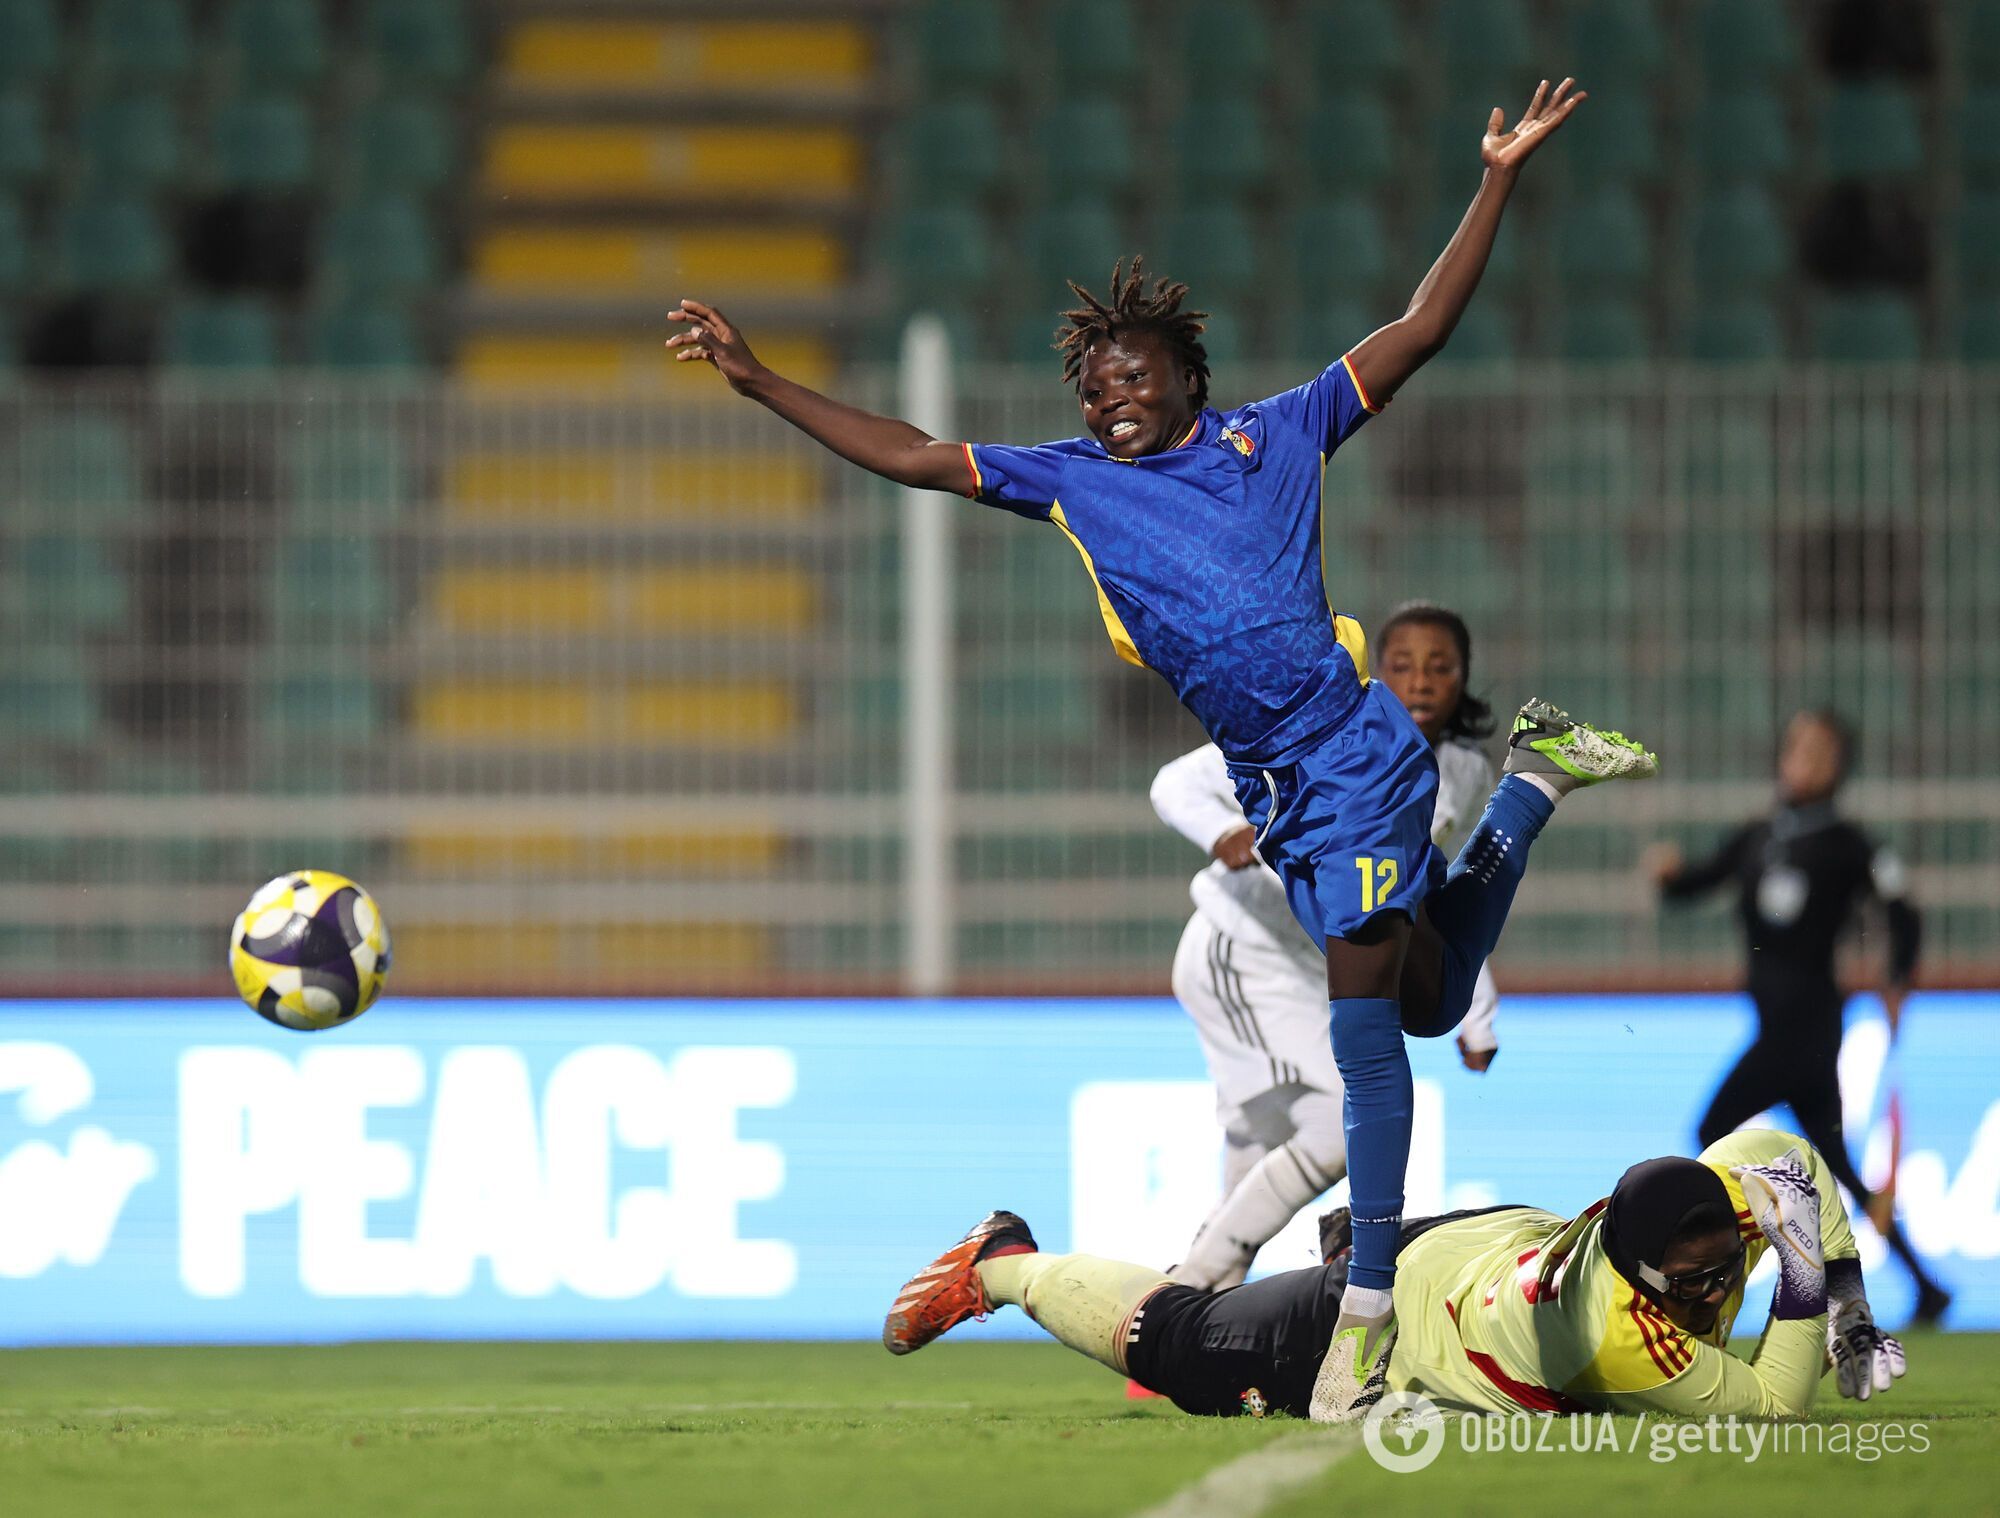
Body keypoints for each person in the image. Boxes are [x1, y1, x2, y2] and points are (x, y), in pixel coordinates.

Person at [670, 77, 1658, 1412]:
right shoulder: (1073, 485)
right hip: (1283, 792)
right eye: (1091, 386)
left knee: (1368, 1038)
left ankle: (1365, 1319)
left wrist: (1497, 177)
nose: (1109, 398)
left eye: (1132, 376)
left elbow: (1419, 329)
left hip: (1352, 753)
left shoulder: (1279, 432)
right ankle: (1534, 782)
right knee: (1424, 999)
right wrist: (758, 379)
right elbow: (911, 452)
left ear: (1189, 374)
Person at [881, 1128, 1911, 1422]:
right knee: (1184, 1351)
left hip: (1488, 1241)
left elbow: (1798, 1165)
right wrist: (1800, 1278)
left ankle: (1352, 1242)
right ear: (1638, 1273)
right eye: (1687, 1285)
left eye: (1720, 1268)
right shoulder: (1613, 1329)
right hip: (1400, 1318)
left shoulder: (1738, 1187)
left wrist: (1853, 1321)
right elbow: (1775, 1402)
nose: (1707, 1291)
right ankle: (1004, 1261)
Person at [1149, 603, 1503, 1295]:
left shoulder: (1462, 773)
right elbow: (1175, 784)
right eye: (1402, 665)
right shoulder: (1321, 734)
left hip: (1330, 967)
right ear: (1374, 671)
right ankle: (1188, 1290)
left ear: (1464, 679)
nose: (1422, 681)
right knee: (1342, 1122)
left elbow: (1440, 900)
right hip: (1245, 949)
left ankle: (1198, 1319)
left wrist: (1476, 1009)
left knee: (1264, 1140)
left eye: (1441, 667)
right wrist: (1224, 830)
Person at [1643, 709, 1951, 1323]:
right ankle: (1923, 1285)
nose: (1802, 758)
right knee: (1835, 1160)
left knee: (1712, 1130)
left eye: (1819, 751)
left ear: (1839, 768)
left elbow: (1903, 912)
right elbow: (1701, 880)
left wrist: (1897, 980)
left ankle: (1754, 1266)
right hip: (1784, 1027)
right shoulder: (1761, 834)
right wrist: (1670, 877)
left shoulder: (1850, 844)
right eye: (1797, 746)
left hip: (1806, 1026)